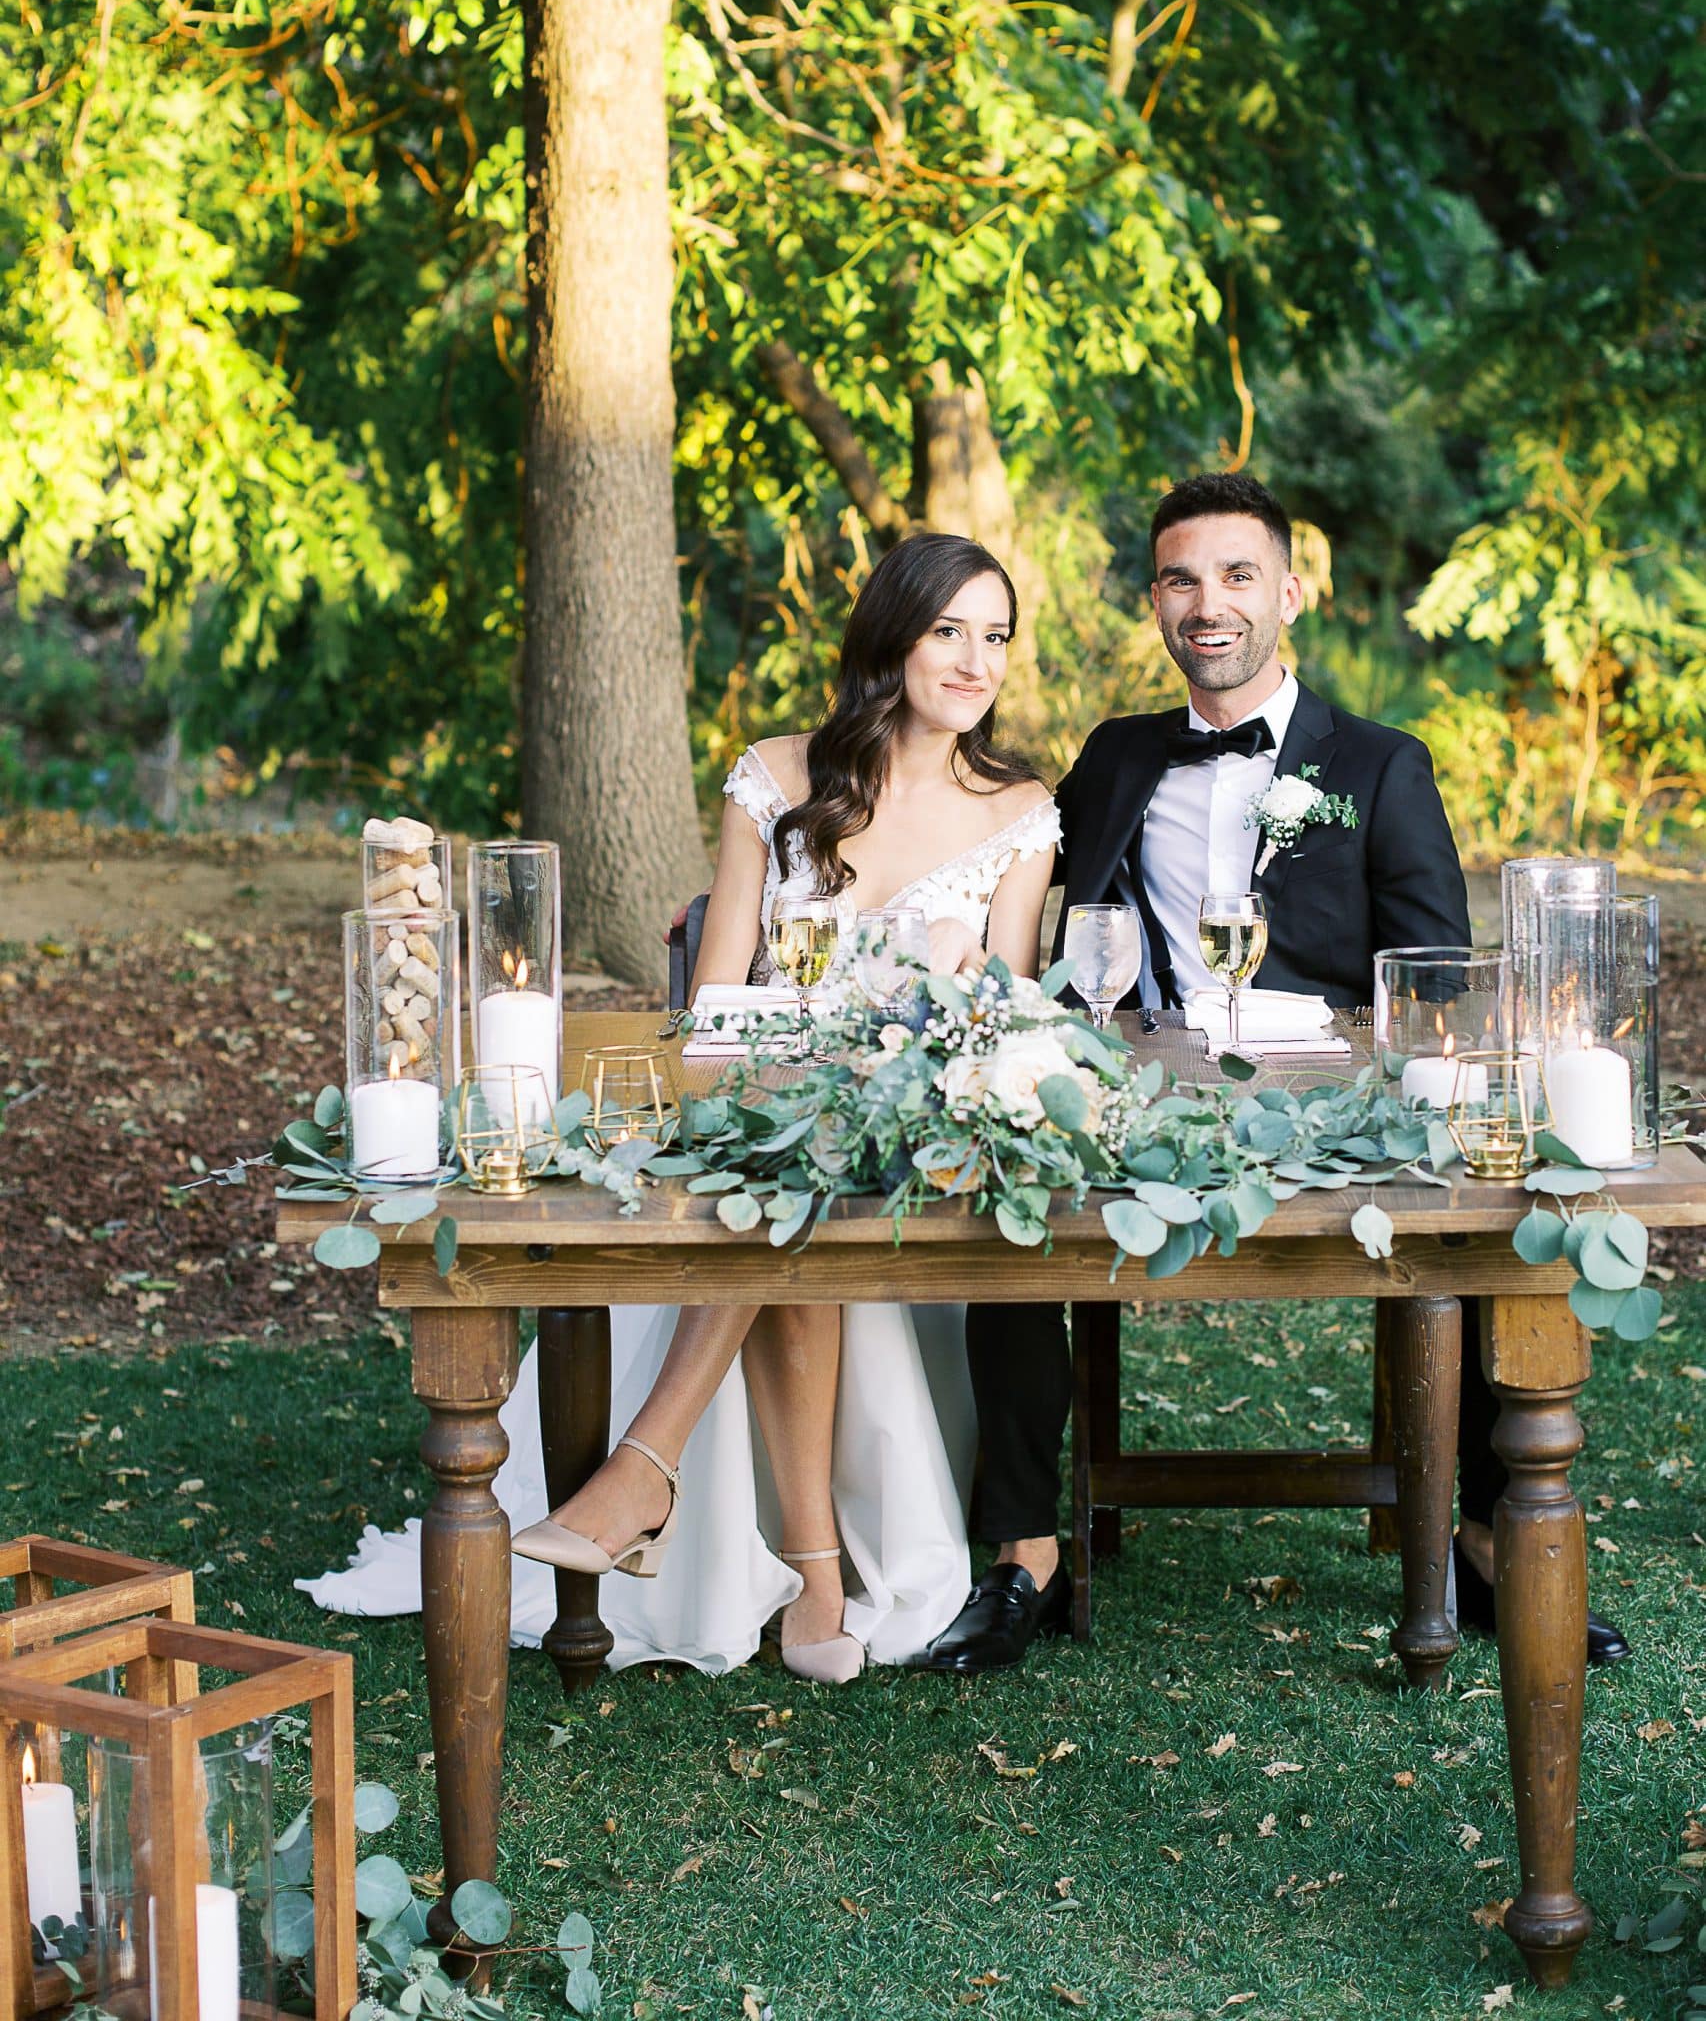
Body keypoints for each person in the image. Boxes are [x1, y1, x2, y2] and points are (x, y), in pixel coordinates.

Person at [301, 532, 1057, 1682]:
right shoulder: (775, 776)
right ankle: (806, 1576)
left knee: (803, 1175)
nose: (973, 662)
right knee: (787, 1177)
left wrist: (937, 992)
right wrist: (789, 1075)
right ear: (889, 637)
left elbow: (1002, 1026)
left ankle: (643, 1474)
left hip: (915, 1142)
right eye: (947, 630)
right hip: (765, 1112)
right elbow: (711, 1009)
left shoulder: (1018, 812)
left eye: (994, 636)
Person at [925, 471, 1628, 1675]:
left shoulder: (1380, 764)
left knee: (1479, 1199)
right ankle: (1025, 1551)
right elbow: (1006, 870)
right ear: (1156, 600)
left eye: (1236, 575)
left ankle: (1477, 1538)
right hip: (1131, 1105)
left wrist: (1367, 1062)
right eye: (1180, 579)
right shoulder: (1113, 756)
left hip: (1330, 1116)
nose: (1208, 603)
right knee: (1012, 1192)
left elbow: (1436, 980)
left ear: (1288, 594)